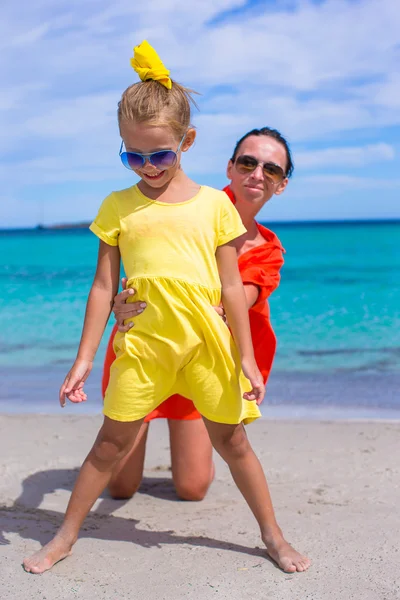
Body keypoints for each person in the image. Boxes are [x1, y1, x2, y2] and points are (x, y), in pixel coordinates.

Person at [22, 41, 310, 575]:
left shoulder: (215, 205)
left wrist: (246, 358)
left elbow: (230, 289)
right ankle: (64, 535)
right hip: (143, 346)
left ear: (187, 141)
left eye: (161, 154)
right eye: (133, 155)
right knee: (110, 446)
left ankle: (272, 536)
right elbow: (103, 287)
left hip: (206, 347)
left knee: (234, 441)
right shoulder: (116, 206)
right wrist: (84, 358)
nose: (148, 166)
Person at [102, 126, 311, 574]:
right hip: (150, 346)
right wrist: (120, 300)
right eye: (248, 162)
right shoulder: (194, 203)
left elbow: (240, 297)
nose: (258, 174)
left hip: (208, 357)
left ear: (282, 183)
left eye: (272, 168)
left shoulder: (269, 249)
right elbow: (140, 250)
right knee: (120, 487)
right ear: (230, 167)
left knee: (193, 487)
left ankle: (269, 532)